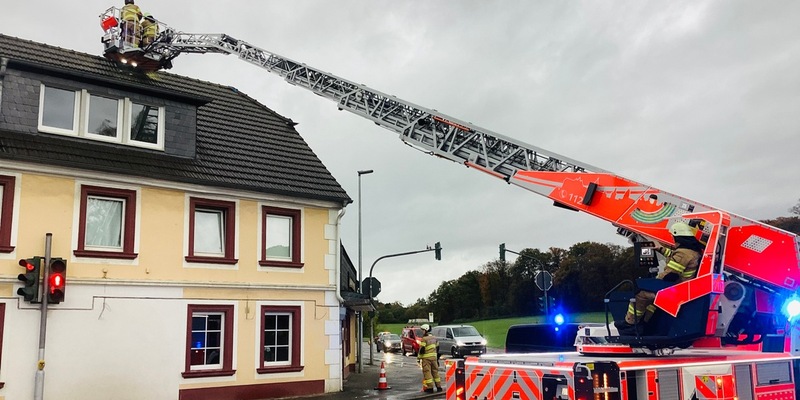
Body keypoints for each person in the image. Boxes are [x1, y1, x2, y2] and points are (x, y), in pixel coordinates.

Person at [615, 222, 704, 335]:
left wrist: (652, 282)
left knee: (640, 295)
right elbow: (674, 256)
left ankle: (630, 323)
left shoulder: (683, 253)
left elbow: (670, 275)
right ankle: (645, 325)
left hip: (677, 291)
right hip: (683, 289)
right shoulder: (691, 251)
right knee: (651, 303)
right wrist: (660, 248)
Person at [417, 324, 443, 393]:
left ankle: (430, 388)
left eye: (423, 330)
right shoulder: (434, 338)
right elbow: (437, 348)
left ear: (426, 330)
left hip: (426, 359)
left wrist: (418, 358)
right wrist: (436, 358)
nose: (422, 332)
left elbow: (422, 350)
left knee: (427, 372)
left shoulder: (424, 339)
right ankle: (439, 387)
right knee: (435, 372)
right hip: (434, 358)